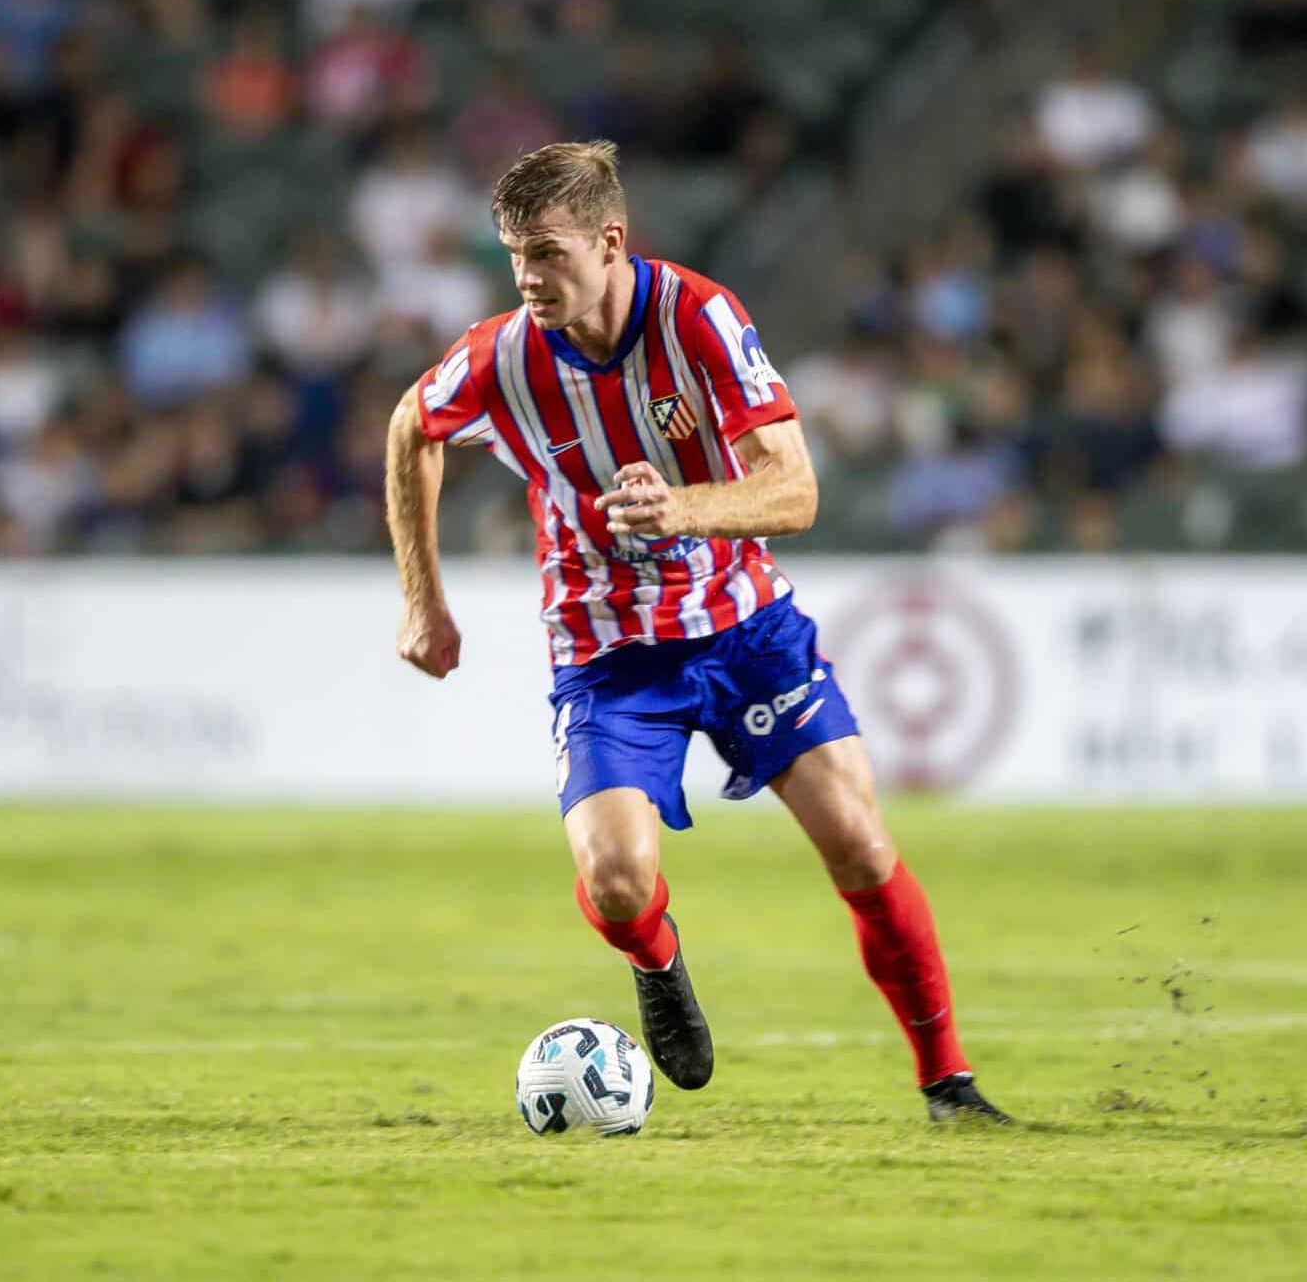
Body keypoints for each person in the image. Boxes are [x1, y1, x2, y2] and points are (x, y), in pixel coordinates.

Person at [382, 141, 1008, 1124]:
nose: (527, 278)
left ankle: (948, 1083)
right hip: (607, 651)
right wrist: (424, 599)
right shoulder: (501, 355)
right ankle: (657, 964)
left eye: (545, 253)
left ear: (610, 240)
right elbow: (409, 430)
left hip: (744, 626)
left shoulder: (698, 319)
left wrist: (681, 510)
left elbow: (795, 489)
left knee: (856, 841)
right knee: (617, 878)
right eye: (512, 256)